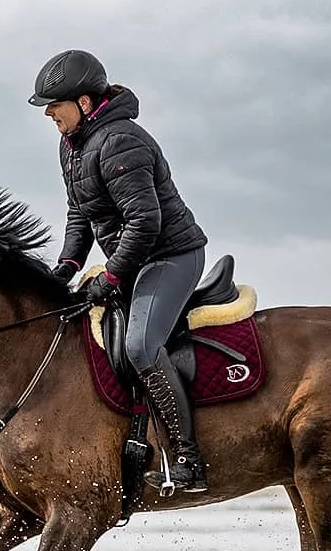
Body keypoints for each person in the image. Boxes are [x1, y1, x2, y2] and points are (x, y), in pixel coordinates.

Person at [28, 49, 212, 494]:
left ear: (86, 103)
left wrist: (110, 276)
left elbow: (144, 222)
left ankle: (188, 457)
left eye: (56, 104)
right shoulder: (71, 146)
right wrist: (66, 268)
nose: (49, 113)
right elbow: (80, 213)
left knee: (140, 345)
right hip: (134, 258)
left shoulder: (120, 142)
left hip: (169, 256)